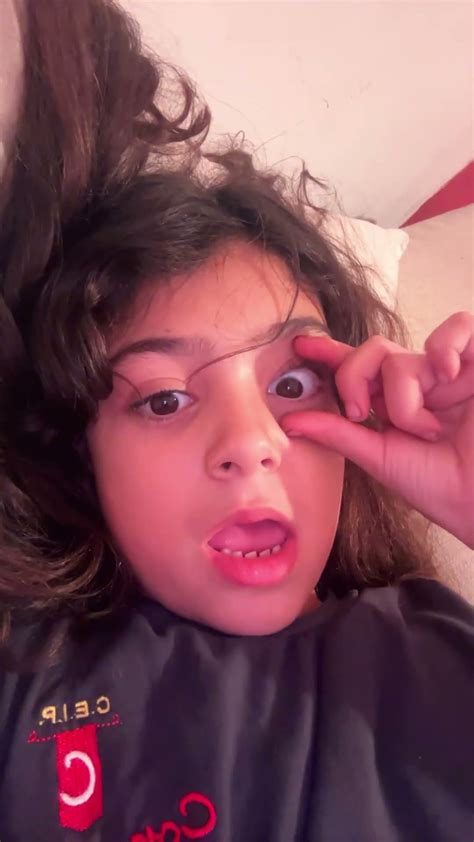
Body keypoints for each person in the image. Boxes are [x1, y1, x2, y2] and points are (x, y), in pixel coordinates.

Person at [0, 3, 473, 842]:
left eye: (292, 383)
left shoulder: (435, 652)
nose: (253, 443)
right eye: (164, 399)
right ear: (82, 453)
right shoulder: (26, 672)